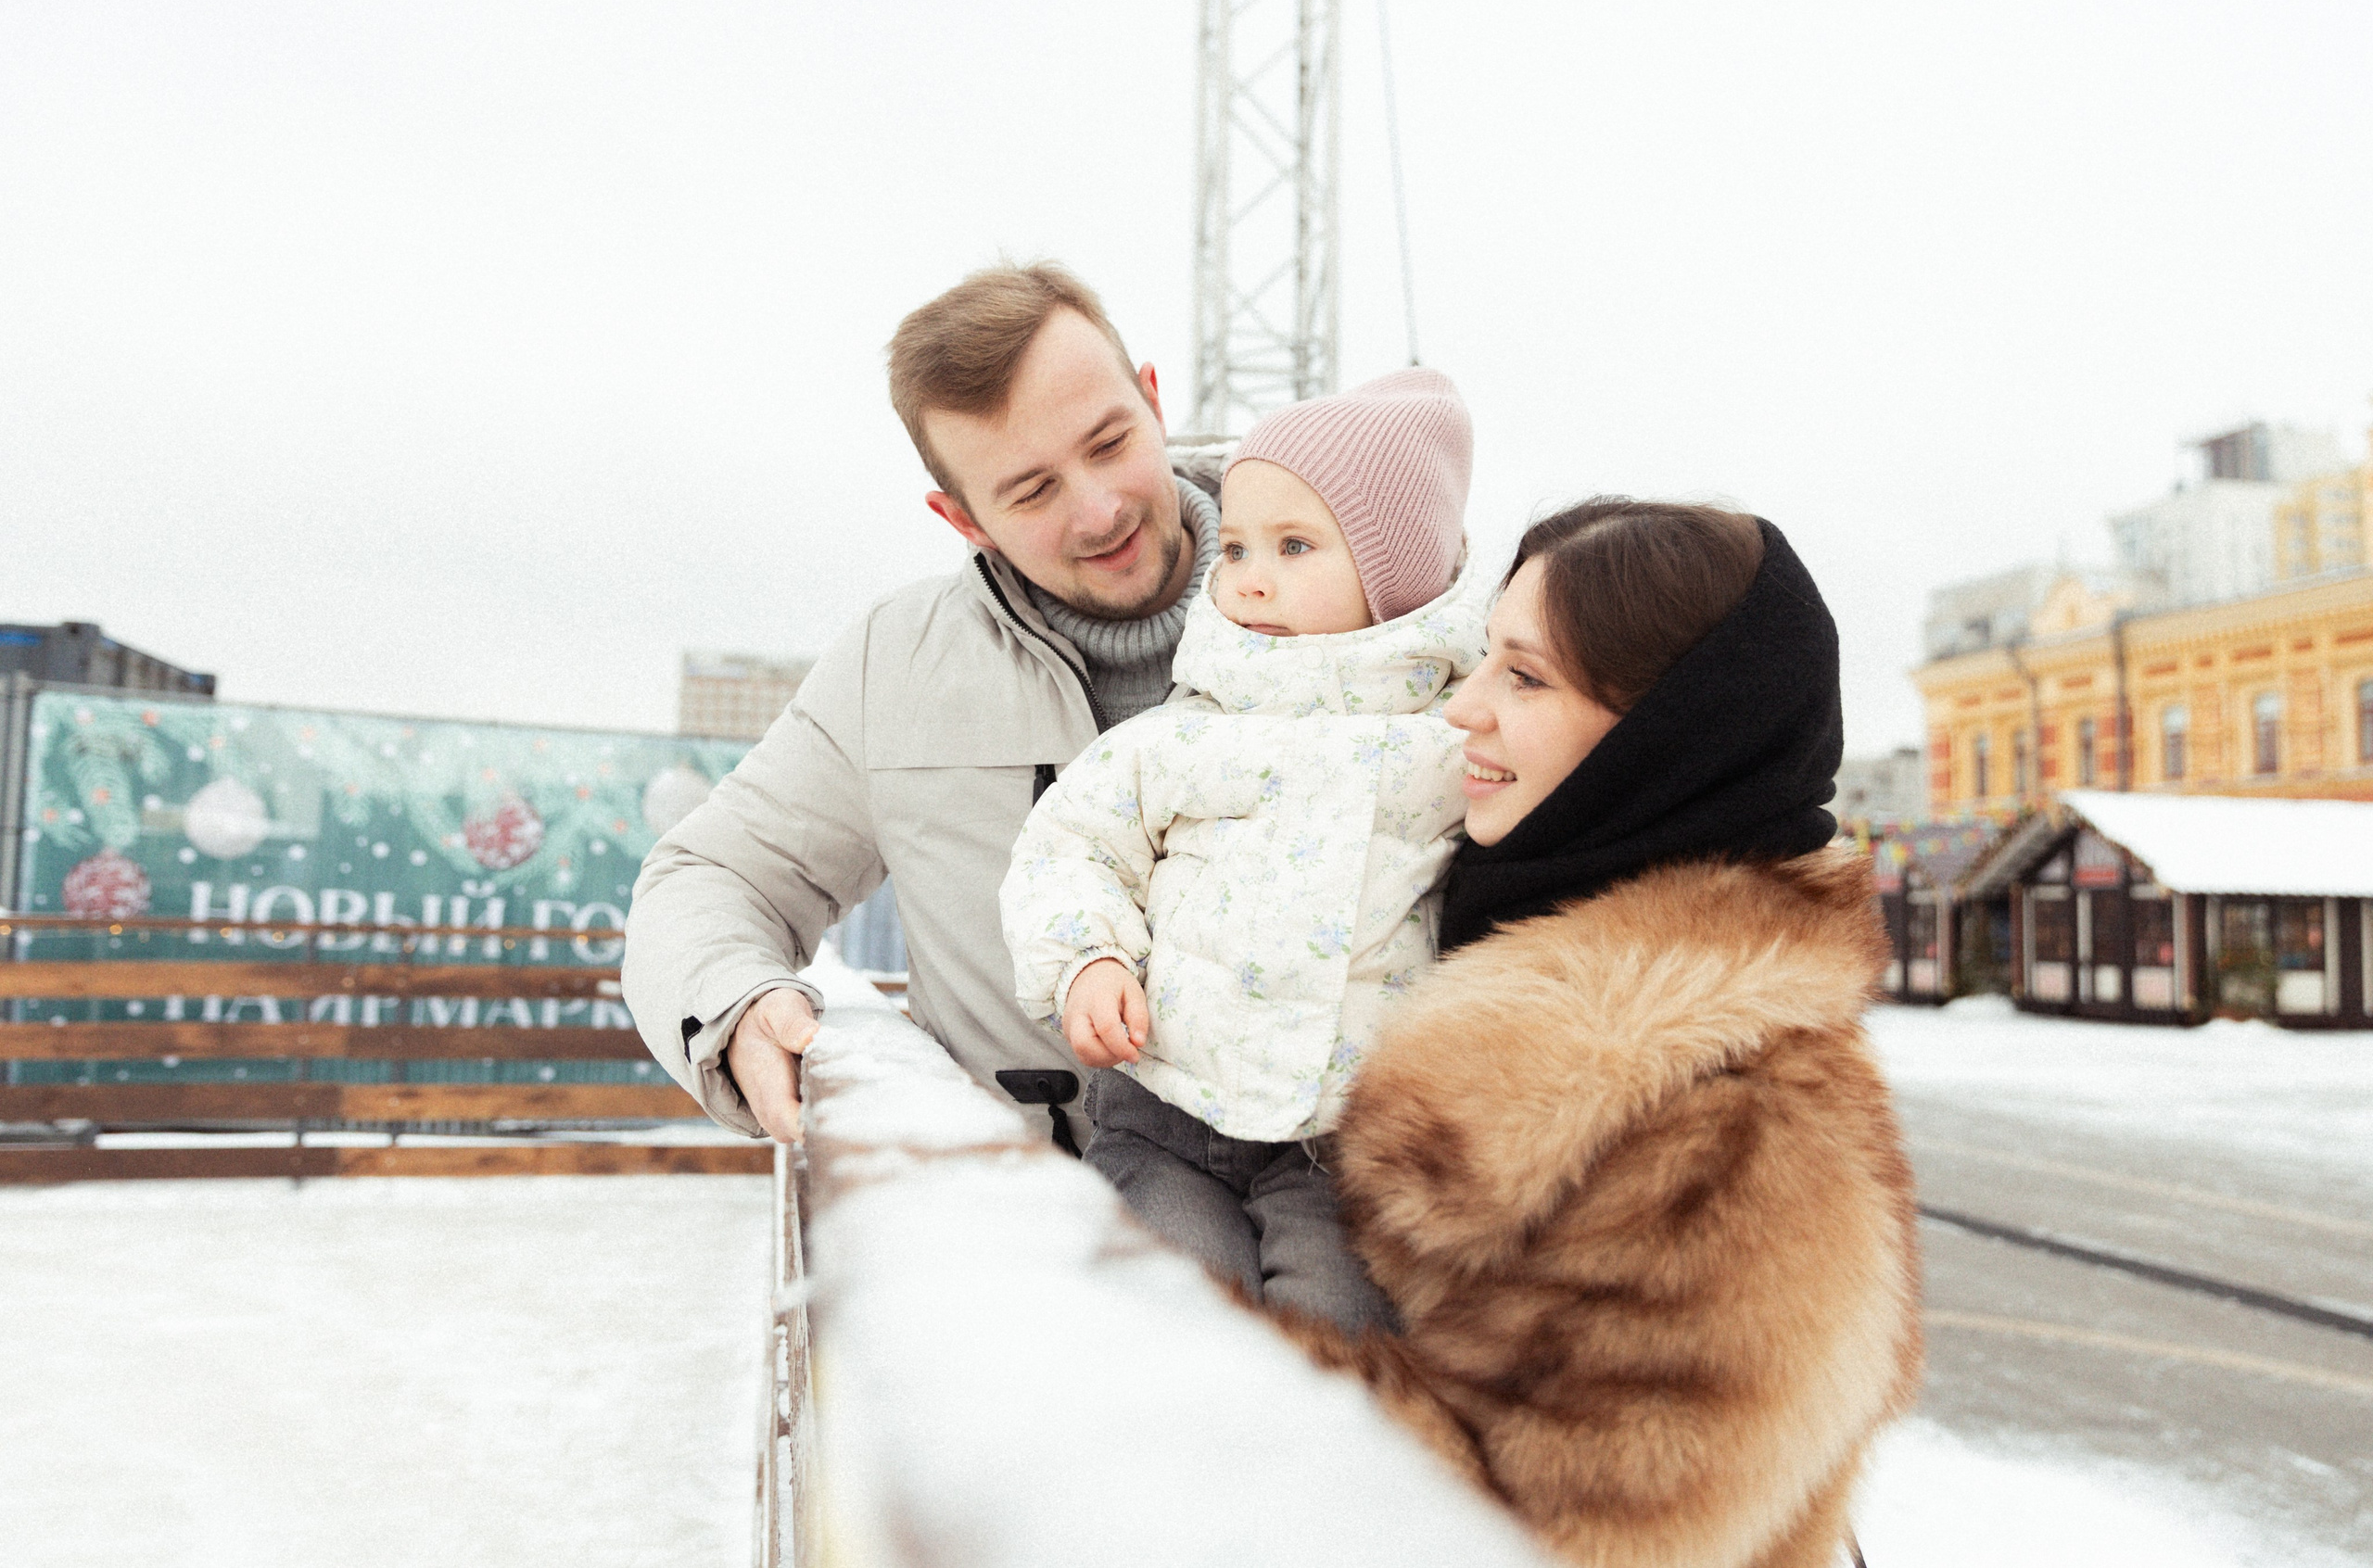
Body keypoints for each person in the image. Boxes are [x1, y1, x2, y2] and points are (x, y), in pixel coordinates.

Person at [1275, 499, 1923, 1568]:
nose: (1462, 708)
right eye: (1483, 659)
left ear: (1668, 739)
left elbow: (1556, 1534)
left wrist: (1184, 1351)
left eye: (1523, 678)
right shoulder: (1489, 950)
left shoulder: (1738, 1130)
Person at [623, 262, 1222, 1147]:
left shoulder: (1365, 589)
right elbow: (714, 877)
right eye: (1033, 490)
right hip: (1026, 1232)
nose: (1099, 512)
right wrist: (738, 1003)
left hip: (1346, 1223)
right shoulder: (894, 668)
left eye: (1108, 444)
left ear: (1154, 402)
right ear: (963, 520)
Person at [1001, 369, 1482, 1333]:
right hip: (1167, 1111)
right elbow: (1070, 848)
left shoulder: (1455, 742)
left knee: (1338, 1347)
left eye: (1295, 546)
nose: (1249, 574)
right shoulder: (1183, 732)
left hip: (1346, 1143)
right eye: (1238, 545)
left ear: (1398, 574)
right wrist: (1089, 958)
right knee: (1177, 1318)